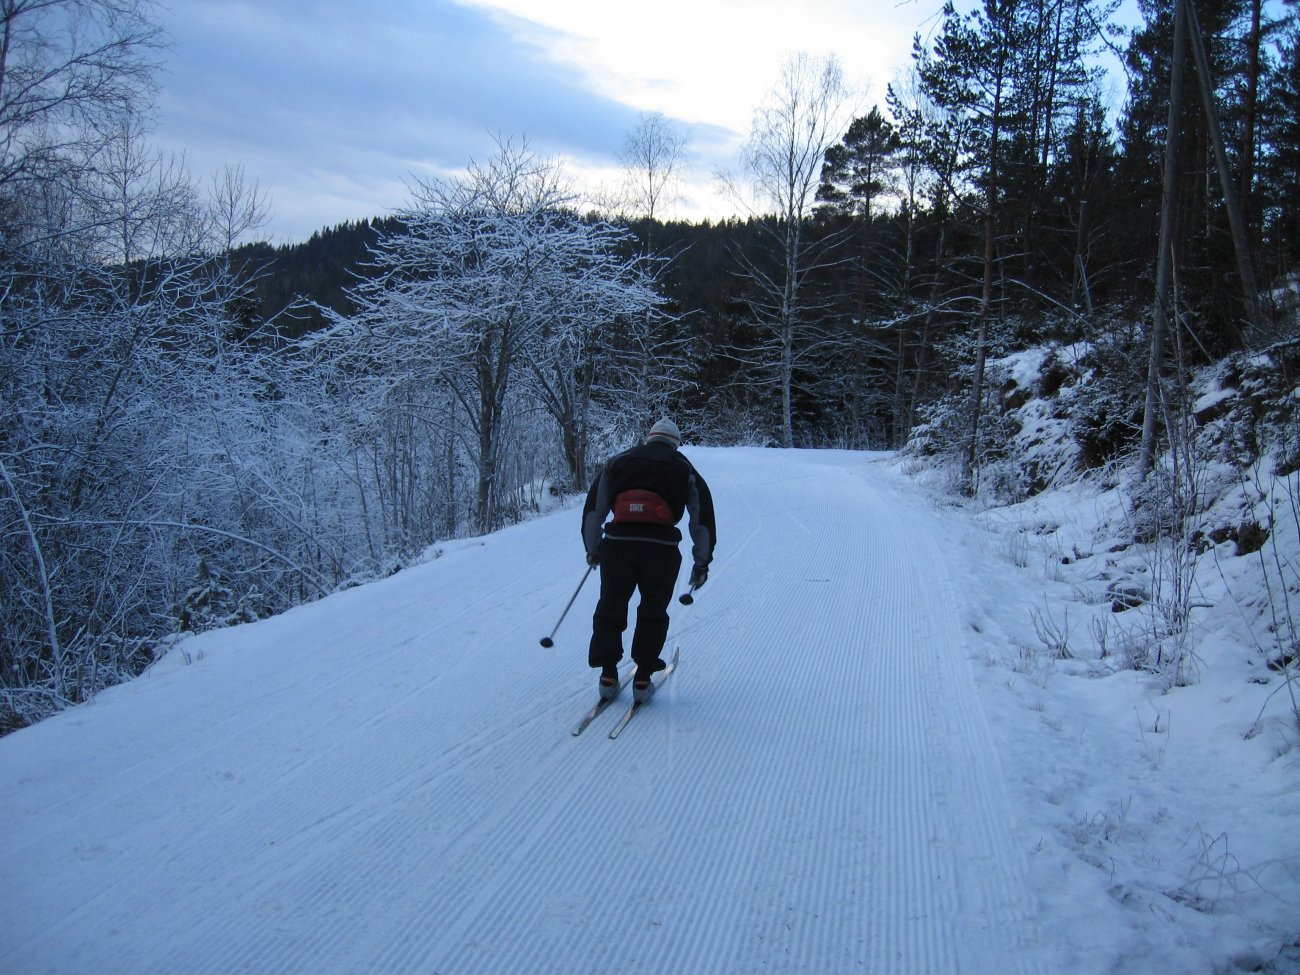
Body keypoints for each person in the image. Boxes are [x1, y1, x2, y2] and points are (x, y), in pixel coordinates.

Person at [582, 418, 716, 703]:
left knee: (611, 606)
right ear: (675, 443)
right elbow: (701, 518)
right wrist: (701, 562)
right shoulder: (684, 467)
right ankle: (642, 678)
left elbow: (595, 509)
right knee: (653, 611)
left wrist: (594, 548)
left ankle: (607, 675)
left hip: (617, 546)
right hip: (661, 549)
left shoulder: (618, 461)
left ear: (649, 438)